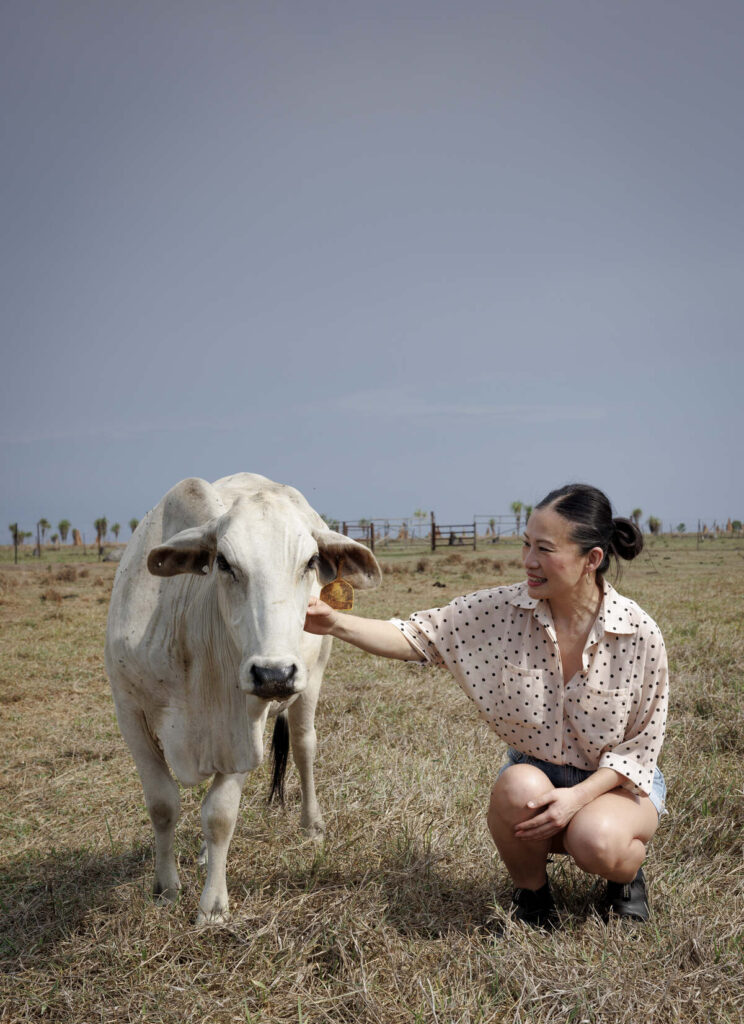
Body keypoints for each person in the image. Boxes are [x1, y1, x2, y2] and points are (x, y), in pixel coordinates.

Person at [304, 483, 668, 927]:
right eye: (526, 544)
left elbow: (639, 751)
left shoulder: (638, 634)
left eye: (545, 549)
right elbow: (417, 636)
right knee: (517, 786)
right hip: (538, 776)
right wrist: (335, 623)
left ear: (591, 559)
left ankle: (624, 878)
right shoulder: (501, 610)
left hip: (615, 786)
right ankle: (533, 895)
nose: (529, 560)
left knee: (596, 840)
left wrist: (577, 799)